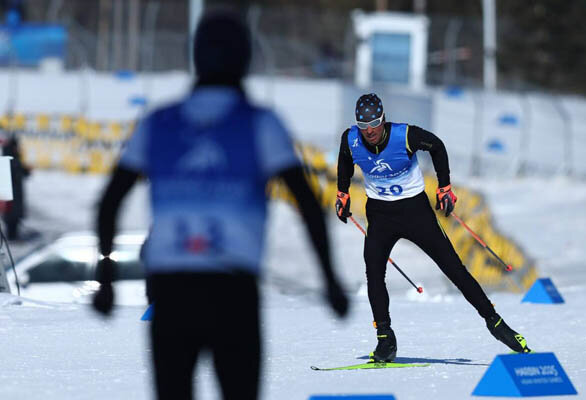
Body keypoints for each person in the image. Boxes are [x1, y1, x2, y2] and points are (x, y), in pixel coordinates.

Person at [92, 10, 349, 400]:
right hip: (233, 291)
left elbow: (110, 201)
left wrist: (106, 280)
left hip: (171, 291)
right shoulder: (260, 122)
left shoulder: (158, 121)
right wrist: (329, 280)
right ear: (246, 59)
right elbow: (308, 204)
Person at [335, 93, 530, 363]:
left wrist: (444, 186)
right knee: (374, 274)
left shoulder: (405, 135)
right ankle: (385, 339)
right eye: (363, 125)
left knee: (453, 269)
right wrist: (342, 193)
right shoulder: (351, 138)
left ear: (383, 120)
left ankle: (496, 323)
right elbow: (345, 158)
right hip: (380, 215)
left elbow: (437, 146)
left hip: (415, 212)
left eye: (375, 124)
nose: (369, 131)